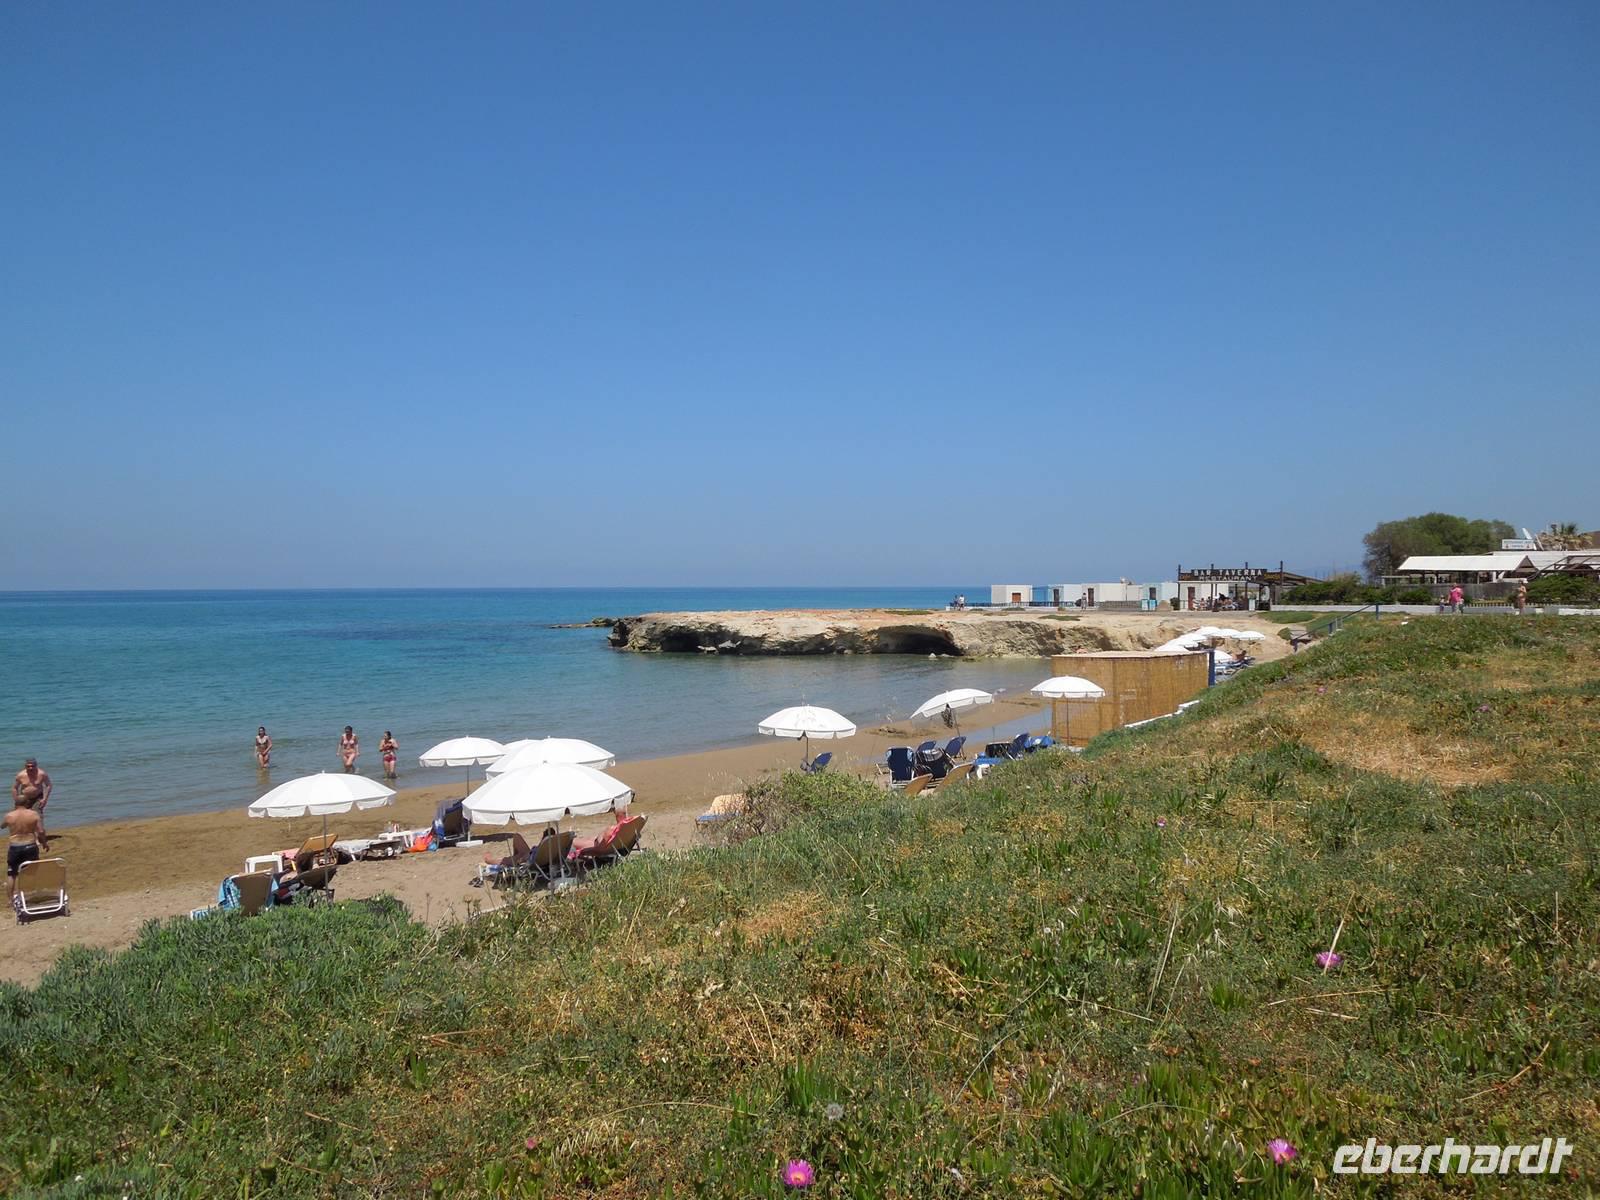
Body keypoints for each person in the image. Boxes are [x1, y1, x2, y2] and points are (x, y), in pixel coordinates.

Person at [5, 793, 48, 900]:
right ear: (27, 803)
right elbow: (41, 831)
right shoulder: (33, 814)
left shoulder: (9, 815)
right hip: (30, 845)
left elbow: (3, 825)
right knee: (31, 872)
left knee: (12, 874)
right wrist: (44, 843)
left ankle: (11, 900)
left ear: (15, 803)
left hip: (15, 846)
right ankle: (29, 895)